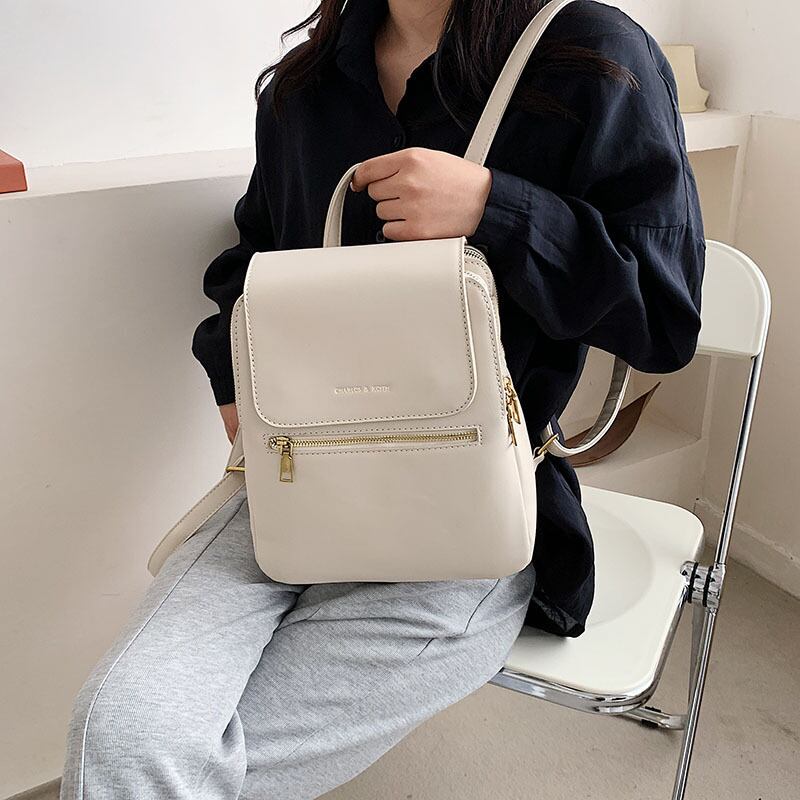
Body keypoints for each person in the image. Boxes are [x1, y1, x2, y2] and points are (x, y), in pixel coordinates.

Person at [59, 1, 705, 797]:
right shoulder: (305, 88)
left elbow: (664, 318)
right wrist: (235, 382)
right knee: (121, 732)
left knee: (151, 769)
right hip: (295, 482)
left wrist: (496, 209)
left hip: (469, 515)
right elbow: (254, 259)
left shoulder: (588, 55)